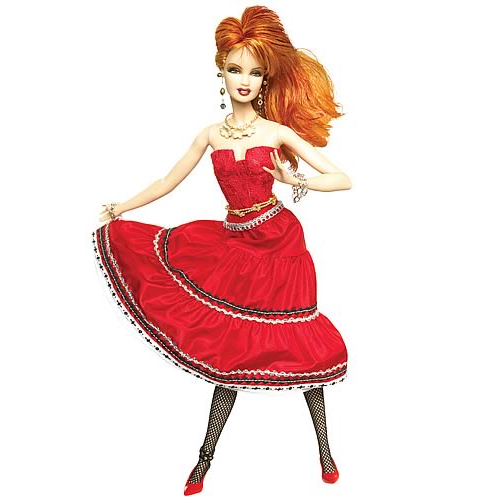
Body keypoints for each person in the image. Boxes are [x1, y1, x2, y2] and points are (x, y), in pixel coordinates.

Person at [91, 5, 352, 495]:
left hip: (281, 247)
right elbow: (167, 181)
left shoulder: (276, 133)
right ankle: (204, 459)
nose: (244, 80)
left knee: (298, 342)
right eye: (236, 69)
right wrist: (120, 207)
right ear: (222, 73)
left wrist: (293, 180)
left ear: (265, 79)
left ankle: (325, 450)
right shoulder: (210, 134)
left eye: (254, 72)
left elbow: (342, 178)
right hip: (234, 243)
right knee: (232, 353)